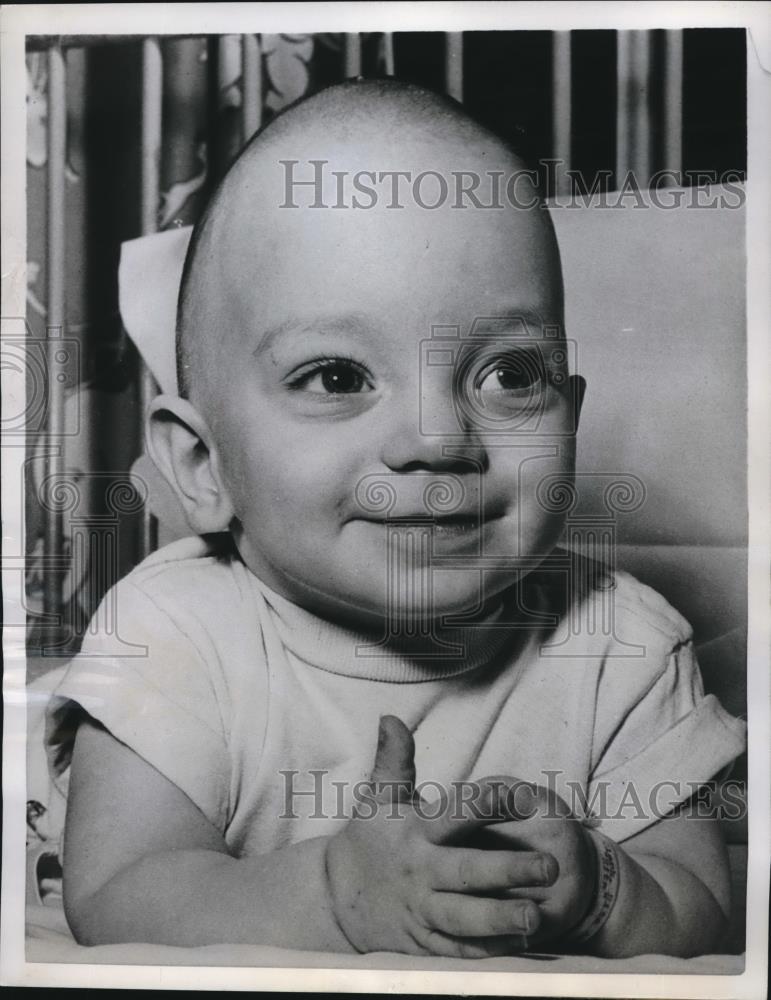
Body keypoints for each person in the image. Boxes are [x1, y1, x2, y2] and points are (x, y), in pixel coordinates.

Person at [47, 79, 746, 959]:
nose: (438, 440)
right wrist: (336, 894)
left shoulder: (622, 647)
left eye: (508, 375)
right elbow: (119, 892)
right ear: (201, 462)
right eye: (338, 377)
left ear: (569, 411)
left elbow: (704, 904)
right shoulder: (171, 635)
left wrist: (603, 888)